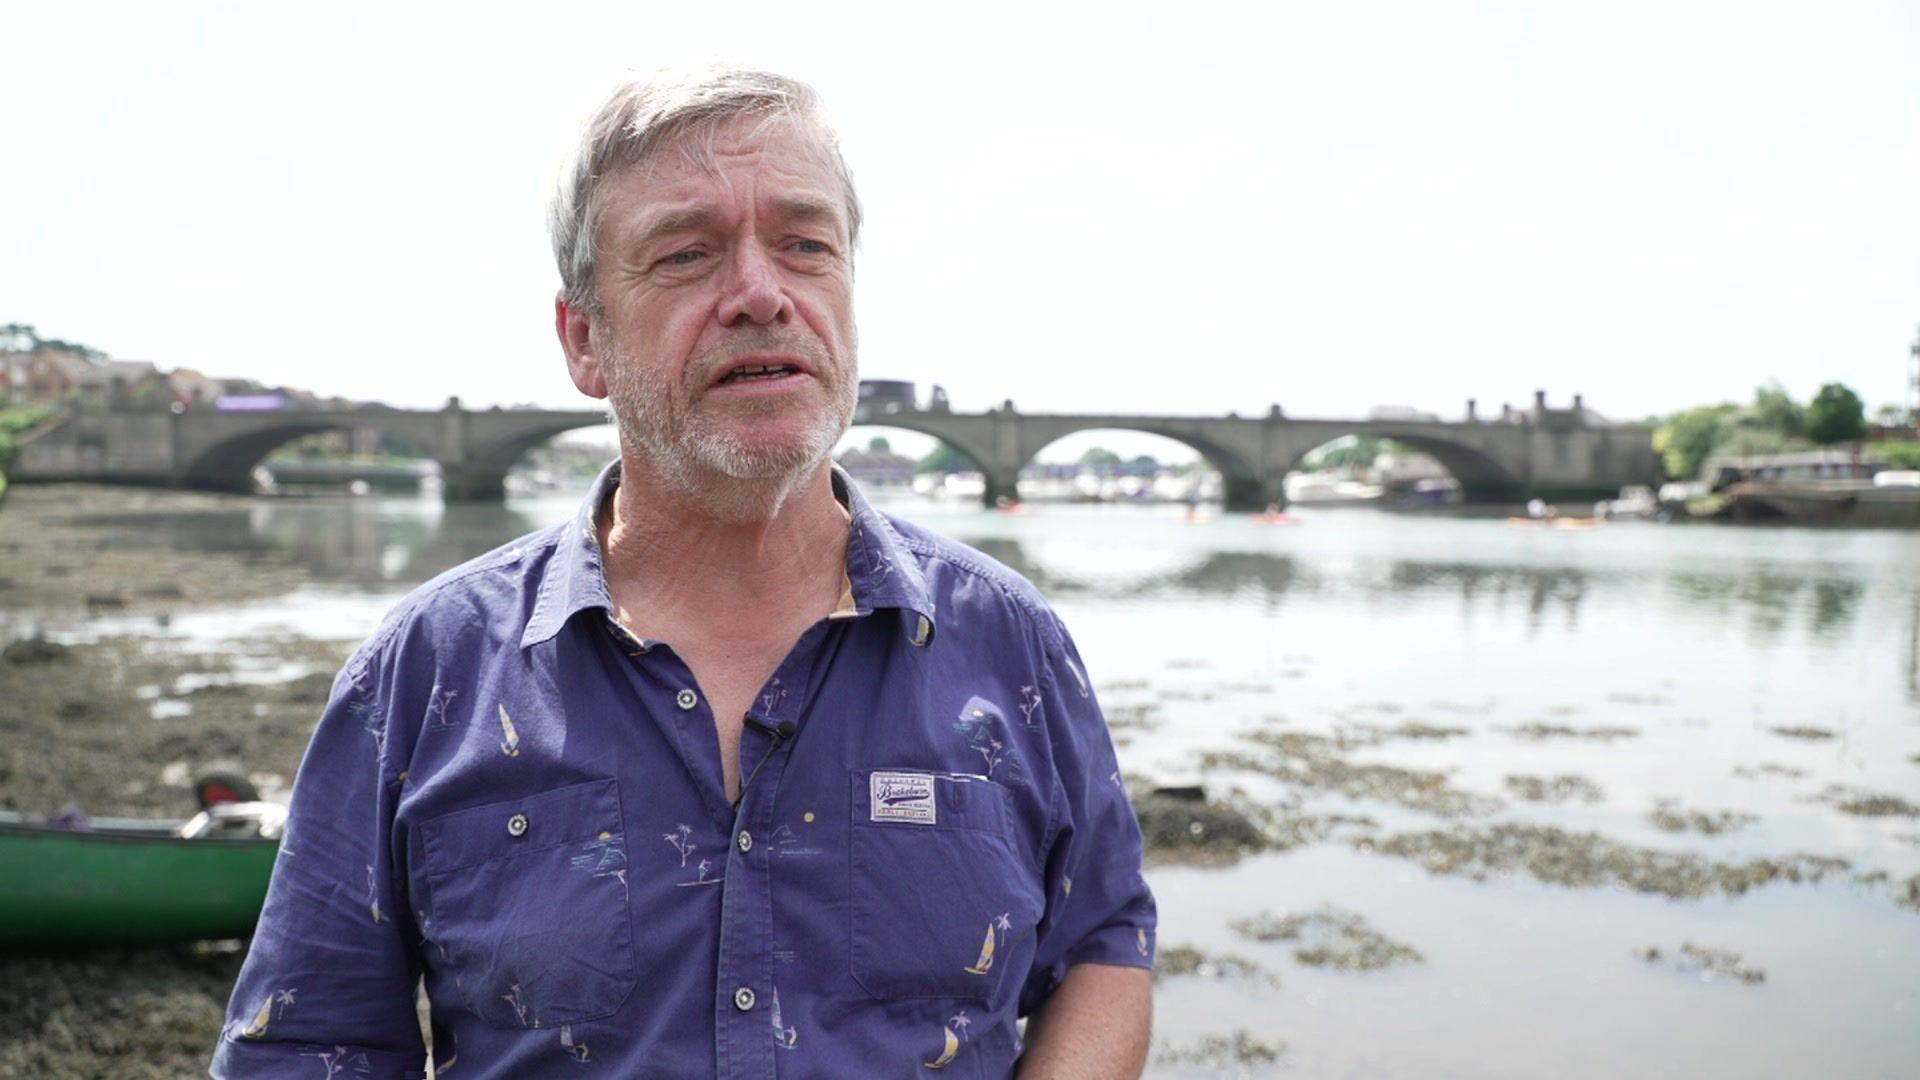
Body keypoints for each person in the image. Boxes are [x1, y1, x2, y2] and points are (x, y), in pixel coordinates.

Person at [212, 65, 1156, 1078]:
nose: (761, 294)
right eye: (687, 255)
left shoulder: (1009, 644)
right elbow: (312, 1042)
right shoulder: (425, 673)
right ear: (585, 339)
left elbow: (1103, 944)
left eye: (805, 244)